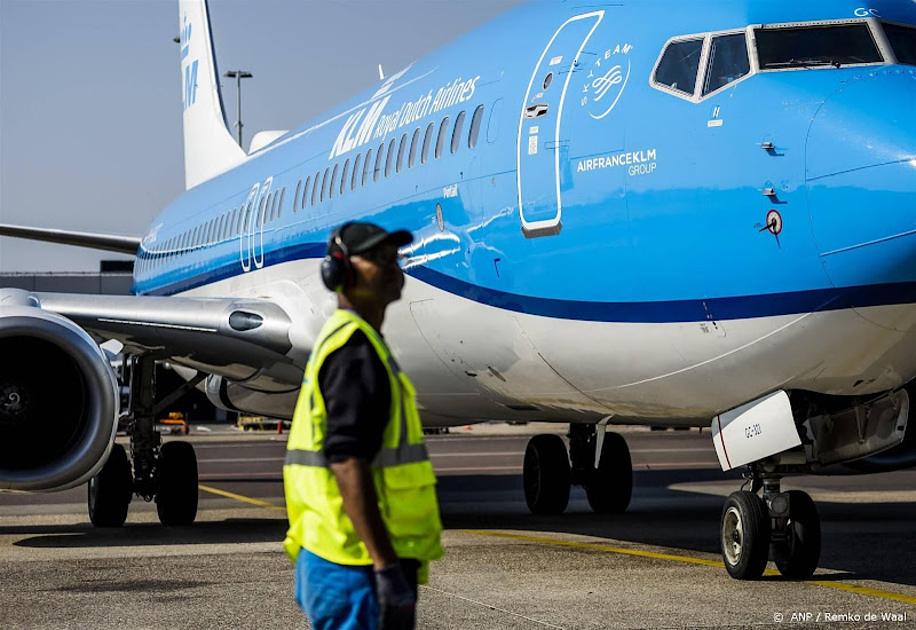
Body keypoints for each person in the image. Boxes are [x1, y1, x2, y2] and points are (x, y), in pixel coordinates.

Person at [283, 221, 443, 630]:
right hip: (355, 564)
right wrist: (386, 565)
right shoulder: (354, 351)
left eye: (395, 259)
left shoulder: (356, 341)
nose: (393, 268)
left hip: (345, 558)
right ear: (340, 272)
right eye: (377, 259)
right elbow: (347, 461)